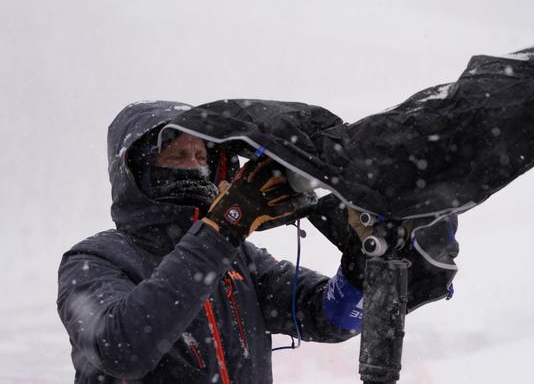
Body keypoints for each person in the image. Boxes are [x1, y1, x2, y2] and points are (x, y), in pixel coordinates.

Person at [57, 100, 459, 383]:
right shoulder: (94, 259)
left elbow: (329, 317)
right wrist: (226, 226)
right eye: (175, 155)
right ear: (134, 168)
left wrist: (361, 263)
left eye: (200, 155)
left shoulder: (239, 259)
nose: (194, 165)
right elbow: (123, 347)